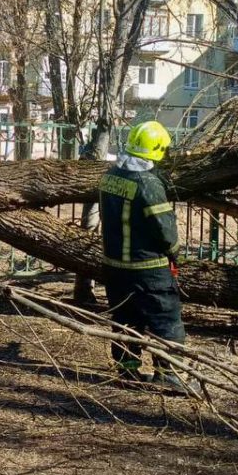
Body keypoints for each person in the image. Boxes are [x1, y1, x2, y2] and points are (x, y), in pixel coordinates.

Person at [98, 120, 189, 392]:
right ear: (157, 150)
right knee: (166, 320)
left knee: (126, 321)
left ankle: (127, 372)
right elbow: (164, 228)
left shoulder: (110, 177)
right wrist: (175, 254)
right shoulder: (148, 183)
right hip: (149, 269)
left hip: (114, 267)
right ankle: (168, 375)